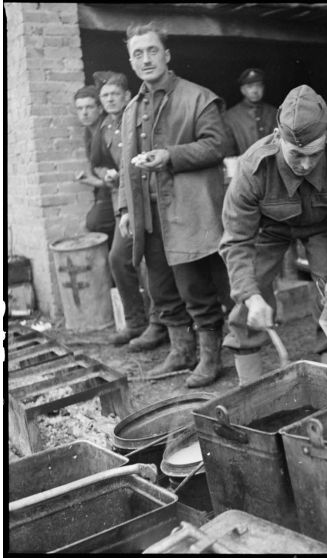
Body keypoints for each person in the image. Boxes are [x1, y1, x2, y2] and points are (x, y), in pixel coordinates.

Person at [220, 85, 327, 384]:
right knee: (249, 295)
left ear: (326, 139)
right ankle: (248, 389)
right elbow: (237, 240)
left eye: (313, 155)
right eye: (296, 155)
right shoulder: (253, 168)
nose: (304, 165)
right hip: (270, 230)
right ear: (278, 137)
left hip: (322, 226)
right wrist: (251, 297)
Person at [118, 22, 232, 386]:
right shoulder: (132, 108)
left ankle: (210, 357)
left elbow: (218, 145)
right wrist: (124, 210)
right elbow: (125, 166)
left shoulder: (197, 97)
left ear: (166, 56)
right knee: (161, 287)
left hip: (186, 208)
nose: (145, 59)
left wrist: (170, 155)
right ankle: (181, 351)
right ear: (131, 61)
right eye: (138, 53)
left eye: (152, 51)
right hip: (147, 212)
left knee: (194, 287)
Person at [90, 71, 169, 348]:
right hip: (125, 206)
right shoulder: (103, 129)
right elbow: (97, 162)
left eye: (115, 94)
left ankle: (161, 324)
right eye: (105, 96)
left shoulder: (141, 118)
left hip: (152, 200)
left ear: (126, 96)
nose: (110, 99)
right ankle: (136, 322)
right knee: (118, 259)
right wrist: (107, 175)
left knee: (155, 264)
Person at [73, 86, 115, 246]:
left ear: (100, 108)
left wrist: (95, 181)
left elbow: (121, 172)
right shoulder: (89, 132)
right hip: (106, 189)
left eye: (89, 107)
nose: (84, 112)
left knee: (95, 222)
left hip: (119, 191)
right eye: (80, 108)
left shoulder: (107, 131)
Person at [223, 68, 277, 157]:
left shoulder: (273, 112)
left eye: (258, 86)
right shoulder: (230, 116)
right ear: (243, 90)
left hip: (272, 168)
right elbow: (229, 153)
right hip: (245, 168)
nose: (255, 90)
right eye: (250, 87)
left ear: (263, 88)